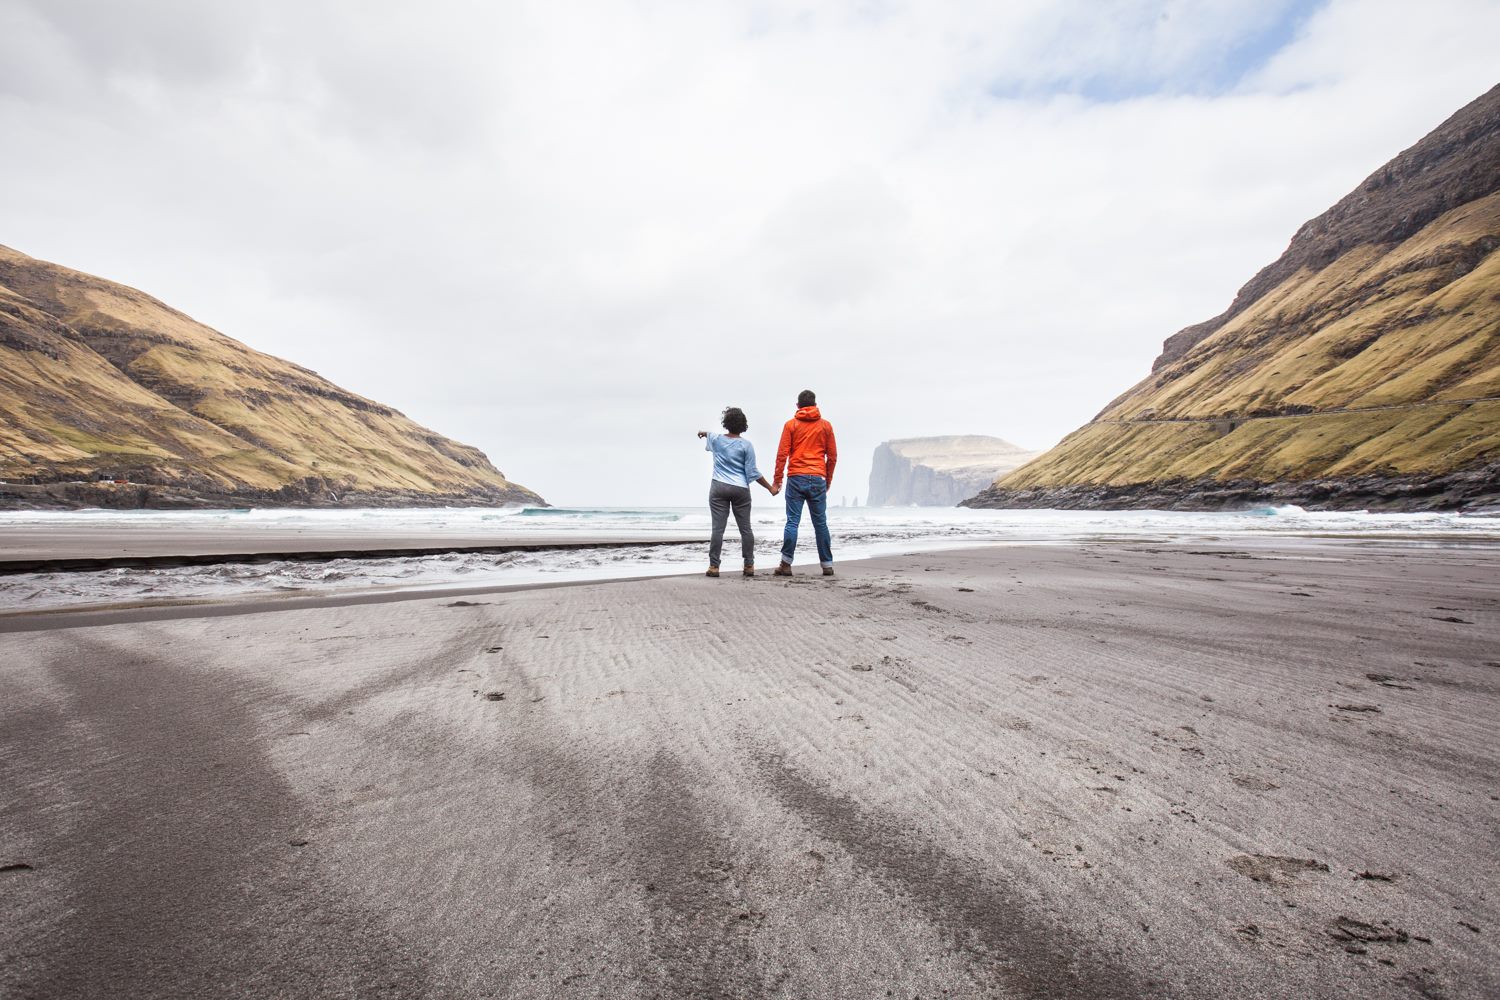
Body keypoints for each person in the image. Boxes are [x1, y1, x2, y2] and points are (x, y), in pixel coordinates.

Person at [697, 407, 776, 578]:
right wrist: (770, 488)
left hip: (718, 487)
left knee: (718, 529)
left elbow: (707, 433)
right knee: (745, 529)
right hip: (740, 489)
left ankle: (714, 566)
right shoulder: (746, 445)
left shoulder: (716, 439)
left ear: (726, 423)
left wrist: (702, 433)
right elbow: (753, 472)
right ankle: (749, 565)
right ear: (743, 425)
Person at [770, 389, 837, 576]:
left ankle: (786, 564)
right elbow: (832, 457)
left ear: (797, 406)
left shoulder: (791, 425)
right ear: (815, 406)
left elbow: (782, 454)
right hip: (818, 478)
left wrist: (777, 481)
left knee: (792, 521)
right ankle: (827, 565)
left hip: (796, 477)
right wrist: (828, 480)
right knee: (820, 523)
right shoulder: (826, 426)